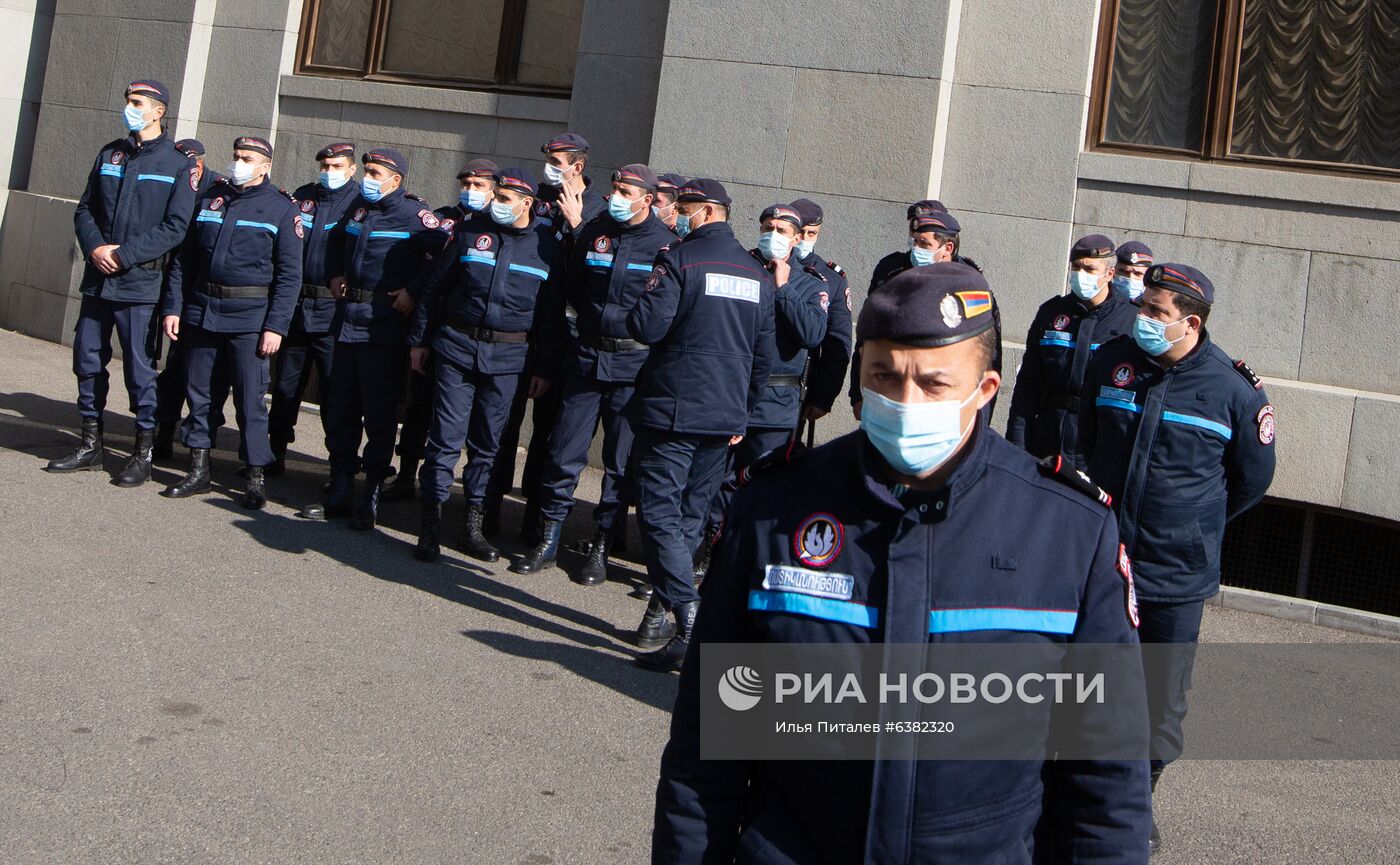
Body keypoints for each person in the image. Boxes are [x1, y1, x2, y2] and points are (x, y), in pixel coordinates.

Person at [653, 262, 1150, 864]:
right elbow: (705, 750)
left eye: (934, 384)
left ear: (984, 390)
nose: (904, 402)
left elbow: (1106, 779)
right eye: (884, 376)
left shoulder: (1068, 530)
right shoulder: (773, 509)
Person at [1079, 262, 1275, 854]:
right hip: (1105, 563)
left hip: (1176, 575)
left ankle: (1138, 799)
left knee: (1160, 702)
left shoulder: (1233, 391)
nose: (1141, 317)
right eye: (1143, 306)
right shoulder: (1112, 363)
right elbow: (1084, 441)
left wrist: (1192, 527)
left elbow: (1251, 480)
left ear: (1189, 324)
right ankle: (1080, 792)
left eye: (1155, 312)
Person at [625, 178, 776, 673]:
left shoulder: (679, 259)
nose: (679, 215)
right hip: (724, 415)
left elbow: (645, 326)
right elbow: (763, 356)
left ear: (708, 212)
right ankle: (676, 626)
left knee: (657, 512)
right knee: (691, 515)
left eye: (685, 207)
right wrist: (742, 412)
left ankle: (687, 613)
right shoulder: (756, 274)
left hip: (674, 409)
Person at [513, 164, 674, 579]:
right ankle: (548, 540)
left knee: (618, 464)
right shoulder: (595, 233)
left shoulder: (666, 246)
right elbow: (571, 293)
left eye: (625, 192)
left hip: (633, 369)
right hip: (586, 361)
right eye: (614, 189)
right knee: (563, 452)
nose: (615, 197)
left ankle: (601, 546)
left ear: (648, 199)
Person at [409, 167, 563, 563]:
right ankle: (430, 524)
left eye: (504, 199)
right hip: (457, 349)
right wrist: (420, 341)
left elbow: (551, 317)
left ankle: (472, 525)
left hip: (509, 359)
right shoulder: (469, 232)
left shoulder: (546, 247)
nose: (496, 204)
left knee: (487, 445)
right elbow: (434, 290)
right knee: (444, 439)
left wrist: (544, 368)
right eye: (496, 197)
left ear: (527, 204)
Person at [49, 80, 197, 486]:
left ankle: (143, 453)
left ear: (158, 111)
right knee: (87, 361)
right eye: (127, 101)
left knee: (139, 371)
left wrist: (124, 255)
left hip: (139, 285)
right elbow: (85, 209)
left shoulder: (178, 164)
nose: (129, 107)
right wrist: (97, 249)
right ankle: (90, 444)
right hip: (99, 282)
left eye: (137, 102)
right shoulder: (110, 153)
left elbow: (176, 227)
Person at [159, 136, 301, 508]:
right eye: (237, 156)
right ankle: (198, 469)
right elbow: (184, 261)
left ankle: (255, 476)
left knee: (250, 401)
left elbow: (289, 277)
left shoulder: (282, 209)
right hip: (203, 311)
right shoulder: (211, 199)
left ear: (265, 166)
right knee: (200, 394)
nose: (239, 162)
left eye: (248, 158)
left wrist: (276, 327)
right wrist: (173, 307)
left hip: (249, 319)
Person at [321, 148, 449, 530]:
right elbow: (333, 241)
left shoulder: (415, 215)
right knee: (342, 410)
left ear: (396, 180)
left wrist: (413, 290)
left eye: (375, 173)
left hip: (383, 327)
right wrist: (333, 274)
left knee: (378, 415)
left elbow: (444, 258)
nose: (368, 178)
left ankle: (371, 493)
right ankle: (341, 485)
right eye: (367, 171)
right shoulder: (358, 209)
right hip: (348, 321)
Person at [490, 134, 608, 544]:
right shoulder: (535, 198)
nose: (550, 168)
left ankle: (535, 523)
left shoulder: (599, 211)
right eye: (549, 160)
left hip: (566, 335)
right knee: (503, 424)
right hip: (522, 323)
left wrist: (577, 226)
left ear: (578, 166)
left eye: (557, 162)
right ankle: (488, 510)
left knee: (549, 433)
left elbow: (594, 272)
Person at [698, 203, 829, 566]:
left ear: (798, 238)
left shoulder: (811, 283)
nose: (773, 235)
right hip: (731, 392)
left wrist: (783, 289)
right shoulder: (740, 267)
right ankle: (706, 549)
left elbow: (813, 334)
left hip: (775, 402)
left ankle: (744, 557)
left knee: (759, 485)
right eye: (767, 228)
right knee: (712, 481)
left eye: (782, 230)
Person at [382, 158, 500, 504]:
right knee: (418, 405)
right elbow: (426, 266)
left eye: (479, 186)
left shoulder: (495, 229)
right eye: (466, 184)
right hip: (432, 324)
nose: (470, 190)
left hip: (466, 329)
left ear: (494, 191)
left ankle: (463, 492)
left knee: (462, 419)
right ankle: (407, 475)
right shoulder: (444, 219)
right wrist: (412, 291)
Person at [847, 204, 1002, 416]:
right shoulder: (892, 271)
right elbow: (868, 339)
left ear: (947, 248)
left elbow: (987, 354)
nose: (916, 250)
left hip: (943, 397)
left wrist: (980, 417)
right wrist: (858, 395)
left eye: (924, 244)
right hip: (893, 389)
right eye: (914, 242)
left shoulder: (971, 283)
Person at [265, 142, 360, 476]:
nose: (329, 172)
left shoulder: (359, 205)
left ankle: (338, 467)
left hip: (333, 313)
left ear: (352, 170)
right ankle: (274, 453)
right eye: (325, 166)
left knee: (335, 393)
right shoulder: (303, 197)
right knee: (285, 387)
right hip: (297, 308)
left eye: (337, 166)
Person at [1005, 233, 1138, 466]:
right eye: (1076, 267)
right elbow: (1028, 384)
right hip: (1048, 434)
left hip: (1096, 443)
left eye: (1089, 269)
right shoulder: (1051, 313)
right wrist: (1017, 443)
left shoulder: (1130, 320)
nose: (1080, 274)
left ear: (1109, 274)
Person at [152, 138, 230, 461]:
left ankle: (203, 443)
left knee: (212, 377)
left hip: (204, 295)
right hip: (176, 288)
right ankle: (164, 430)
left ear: (198, 164)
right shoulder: (173, 183)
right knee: (175, 369)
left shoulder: (218, 192)